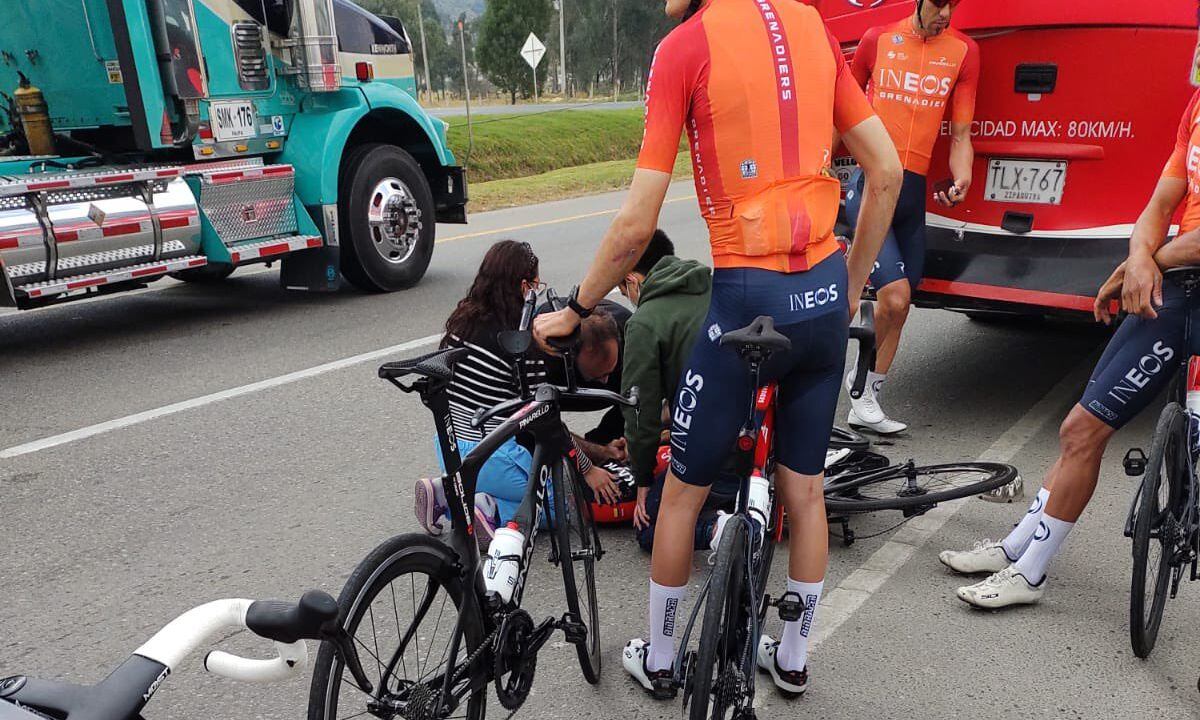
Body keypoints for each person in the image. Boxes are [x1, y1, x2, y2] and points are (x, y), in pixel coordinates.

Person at [534, 0, 901, 699]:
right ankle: (792, 658)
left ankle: (663, 657)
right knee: (807, 492)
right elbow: (884, 170)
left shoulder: (685, 45)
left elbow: (638, 222)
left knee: (681, 495)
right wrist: (850, 284)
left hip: (743, 300)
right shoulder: (813, 28)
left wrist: (576, 309)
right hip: (823, 295)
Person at [942, 84, 1200, 609]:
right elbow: (1160, 202)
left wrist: (1144, 264)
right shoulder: (1196, 105)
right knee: (1080, 427)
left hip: (1178, 275)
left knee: (1085, 429)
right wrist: (1140, 257)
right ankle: (1021, 552)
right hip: (1175, 281)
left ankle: (1029, 571)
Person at [413, 240, 620, 549]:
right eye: (536, 284)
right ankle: (489, 510)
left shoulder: (461, 323)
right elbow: (544, 422)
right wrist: (589, 470)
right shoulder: (523, 344)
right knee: (560, 504)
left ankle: (444, 492)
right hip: (492, 456)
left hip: (450, 449)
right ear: (525, 285)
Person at [843, 0, 979, 434]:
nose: (947, 13)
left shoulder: (964, 52)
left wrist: (963, 176)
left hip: (913, 192)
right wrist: (819, 165)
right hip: (873, 186)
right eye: (940, 3)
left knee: (902, 306)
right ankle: (839, 380)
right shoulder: (876, 40)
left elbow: (960, 134)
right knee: (895, 296)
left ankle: (866, 395)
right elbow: (838, 109)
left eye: (954, 4)